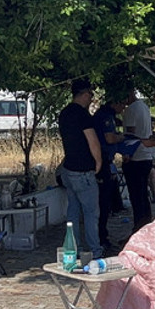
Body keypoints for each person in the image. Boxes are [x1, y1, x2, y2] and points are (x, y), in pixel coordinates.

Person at [58, 79, 104, 259]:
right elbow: (93, 141)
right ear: (84, 94)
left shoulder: (64, 113)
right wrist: (98, 161)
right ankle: (95, 250)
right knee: (91, 213)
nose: (91, 98)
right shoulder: (83, 115)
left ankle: (73, 248)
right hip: (83, 170)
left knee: (73, 211)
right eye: (90, 95)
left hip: (68, 168)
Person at [92, 94, 126, 253]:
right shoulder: (105, 117)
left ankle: (102, 235)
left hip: (106, 162)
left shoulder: (105, 115)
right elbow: (110, 138)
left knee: (107, 202)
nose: (123, 108)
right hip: (103, 163)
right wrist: (122, 137)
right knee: (103, 203)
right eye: (122, 104)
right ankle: (101, 238)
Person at [122, 88, 155, 232]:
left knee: (136, 197)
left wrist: (127, 154)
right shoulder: (144, 107)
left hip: (136, 157)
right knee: (143, 194)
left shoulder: (131, 110)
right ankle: (146, 224)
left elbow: (130, 134)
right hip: (146, 155)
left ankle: (138, 227)